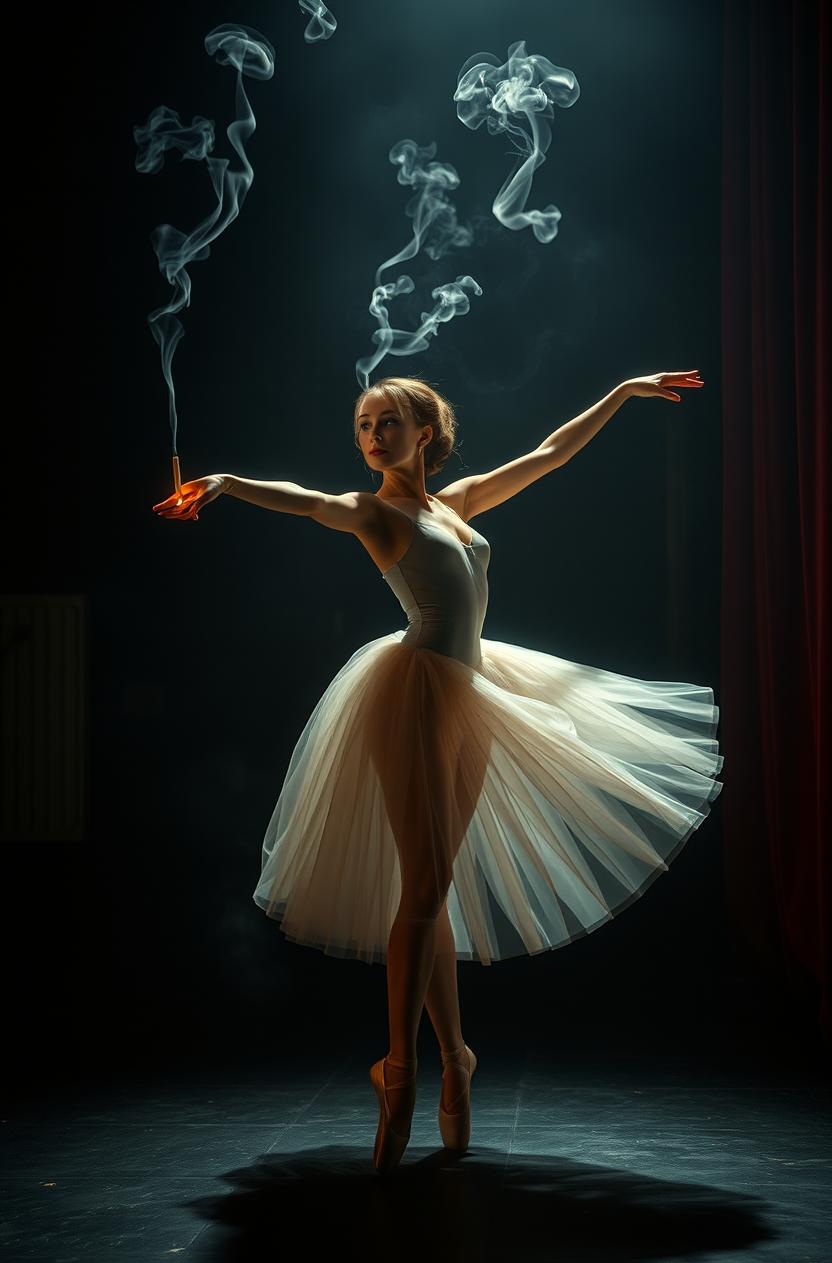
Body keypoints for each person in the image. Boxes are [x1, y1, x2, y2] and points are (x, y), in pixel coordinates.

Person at [152, 371, 723, 1174]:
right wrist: (224, 483)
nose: (374, 435)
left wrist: (623, 392)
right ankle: (400, 1071)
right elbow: (308, 500)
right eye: (364, 424)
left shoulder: (454, 505)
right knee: (420, 888)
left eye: (390, 422)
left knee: (433, 884)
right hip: (416, 688)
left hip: (479, 690)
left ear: (427, 432)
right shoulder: (372, 511)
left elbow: (551, 454)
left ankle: (454, 1058)